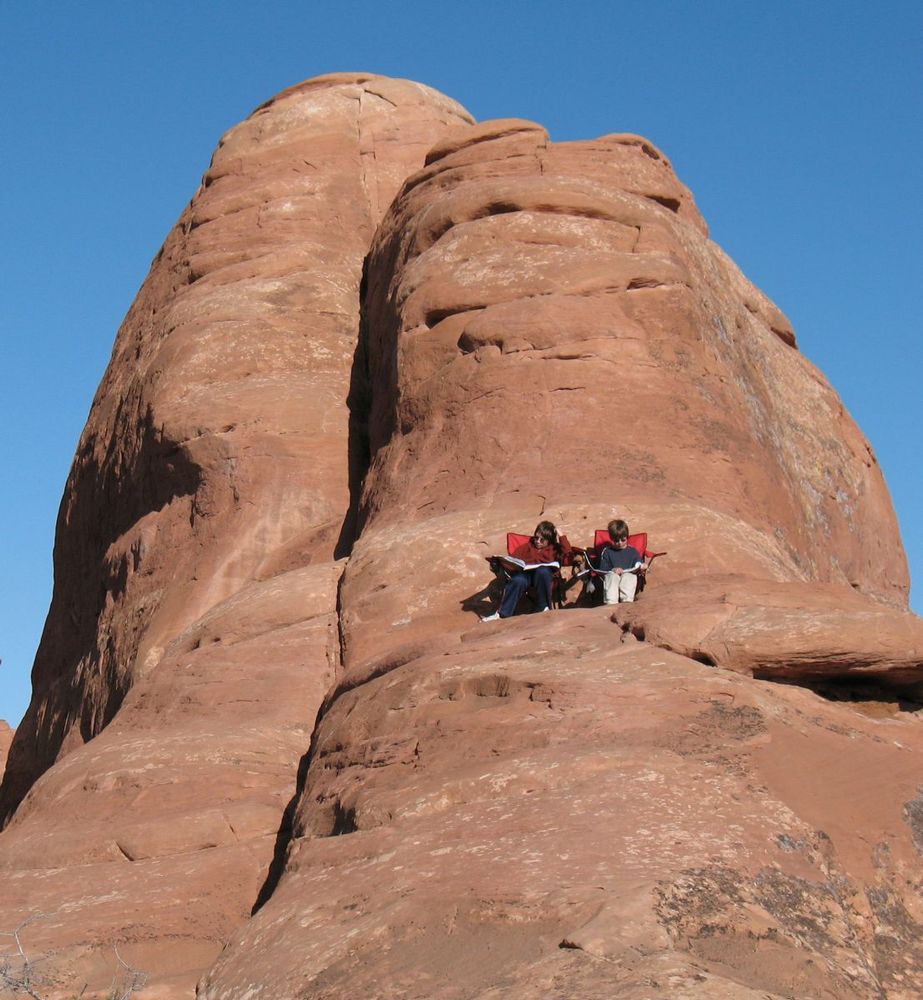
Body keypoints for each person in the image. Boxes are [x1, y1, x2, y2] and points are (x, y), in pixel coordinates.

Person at [481, 521, 570, 621]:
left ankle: (544, 607)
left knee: (543, 571)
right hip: (526, 575)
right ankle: (503, 614)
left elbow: (568, 554)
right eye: (536, 537)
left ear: (549, 541)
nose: (537, 541)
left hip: (543, 577)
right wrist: (500, 562)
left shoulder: (554, 548)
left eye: (542, 540)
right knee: (518, 580)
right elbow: (513, 559)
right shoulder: (527, 547)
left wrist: (561, 535)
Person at [598, 519, 644, 604]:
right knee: (611, 577)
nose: (619, 543)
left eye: (623, 540)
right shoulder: (607, 551)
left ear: (627, 537)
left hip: (628, 576)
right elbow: (603, 568)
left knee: (628, 577)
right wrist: (613, 569)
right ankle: (611, 603)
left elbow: (638, 562)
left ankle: (626, 602)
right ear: (611, 539)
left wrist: (641, 566)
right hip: (613, 576)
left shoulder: (632, 551)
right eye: (616, 541)